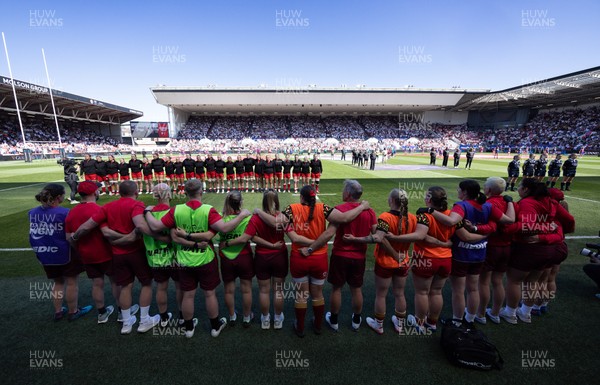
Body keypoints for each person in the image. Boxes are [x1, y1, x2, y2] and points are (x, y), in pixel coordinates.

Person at [255, 185, 370, 337]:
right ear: (314, 197)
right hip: (319, 257)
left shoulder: (292, 208)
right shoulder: (323, 208)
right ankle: (317, 326)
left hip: (299, 257)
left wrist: (257, 211)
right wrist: (362, 207)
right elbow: (345, 218)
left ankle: (300, 327)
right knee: (317, 294)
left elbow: (275, 223)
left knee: (301, 295)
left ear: (301, 197)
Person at [145, 179, 251, 338]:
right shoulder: (208, 210)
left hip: (184, 259)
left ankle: (188, 329)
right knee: (209, 294)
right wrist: (242, 214)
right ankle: (215, 327)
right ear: (201, 192)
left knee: (188, 295)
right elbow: (224, 227)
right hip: (205, 259)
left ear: (185, 193)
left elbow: (155, 226)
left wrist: (146, 212)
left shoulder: (176, 210)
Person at [71, 181, 162, 334]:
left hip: (118, 254)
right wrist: (158, 236)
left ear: (119, 192)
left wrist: (75, 238)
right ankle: (144, 320)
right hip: (136, 252)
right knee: (146, 284)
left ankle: (126, 323)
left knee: (125, 286)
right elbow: (139, 225)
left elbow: (87, 226)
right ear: (136, 192)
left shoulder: (107, 207)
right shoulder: (136, 204)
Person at [499, 179, 574, 324]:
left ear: (526, 189)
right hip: (548, 248)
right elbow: (569, 221)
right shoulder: (551, 202)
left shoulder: (528, 202)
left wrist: (508, 229)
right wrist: (551, 230)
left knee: (514, 281)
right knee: (533, 281)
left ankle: (510, 312)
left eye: (520, 186)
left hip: (530, 248)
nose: (518, 189)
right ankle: (526, 312)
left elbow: (528, 226)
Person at [344, 189, 416, 334]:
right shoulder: (412, 218)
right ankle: (400, 324)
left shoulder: (385, 217)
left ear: (392, 201)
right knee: (400, 293)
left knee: (381, 294)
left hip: (385, 262)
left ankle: (379, 325)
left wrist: (355, 239)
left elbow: (377, 238)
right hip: (403, 261)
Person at [65, 181, 131, 323]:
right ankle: (121, 312)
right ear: (94, 192)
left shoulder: (72, 212)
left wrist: (80, 250)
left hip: (86, 255)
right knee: (115, 282)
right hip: (106, 253)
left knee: (97, 283)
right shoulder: (99, 209)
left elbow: (69, 238)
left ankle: (102, 313)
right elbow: (108, 233)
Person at [29, 183, 92, 321]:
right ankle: (73, 311)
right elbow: (70, 234)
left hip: (45, 254)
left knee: (57, 283)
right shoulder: (64, 212)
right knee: (71, 282)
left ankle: (58, 312)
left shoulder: (32, 212)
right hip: (65, 253)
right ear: (58, 197)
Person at [227, 190, 288, 329]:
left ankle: (265, 319)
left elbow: (250, 237)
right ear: (277, 200)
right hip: (279, 255)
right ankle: (278, 319)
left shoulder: (255, 217)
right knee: (278, 290)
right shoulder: (282, 216)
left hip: (262, 257)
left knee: (264, 290)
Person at [473, 177, 513, 324]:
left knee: (483, 282)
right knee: (497, 281)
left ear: (488, 190)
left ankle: (481, 314)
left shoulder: (488, 204)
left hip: (491, 246)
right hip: (507, 246)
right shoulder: (509, 203)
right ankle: (495, 313)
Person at [143, 183, 183, 327]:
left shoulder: (146, 213)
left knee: (161, 287)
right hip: (175, 258)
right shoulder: (174, 212)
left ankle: (164, 318)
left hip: (155, 258)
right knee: (180, 287)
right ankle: (182, 317)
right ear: (169, 194)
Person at [215, 191, 254, 326]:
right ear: (241, 202)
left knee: (228, 290)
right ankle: (247, 317)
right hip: (244, 256)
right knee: (247, 289)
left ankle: (232, 317)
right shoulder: (248, 218)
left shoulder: (220, 218)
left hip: (226, 257)